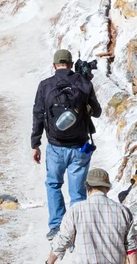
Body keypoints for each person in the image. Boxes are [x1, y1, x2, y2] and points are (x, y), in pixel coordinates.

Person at [31, 49, 102, 240]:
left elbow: (38, 114)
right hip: (80, 147)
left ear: (54, 65)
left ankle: (56, 226)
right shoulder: (83, 83)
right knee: (77, 192)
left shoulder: (45, 85)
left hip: (55, 146)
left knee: (54, 184)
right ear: (71, 64)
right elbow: (97, 112)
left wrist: (35, 144)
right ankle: (76, 229)